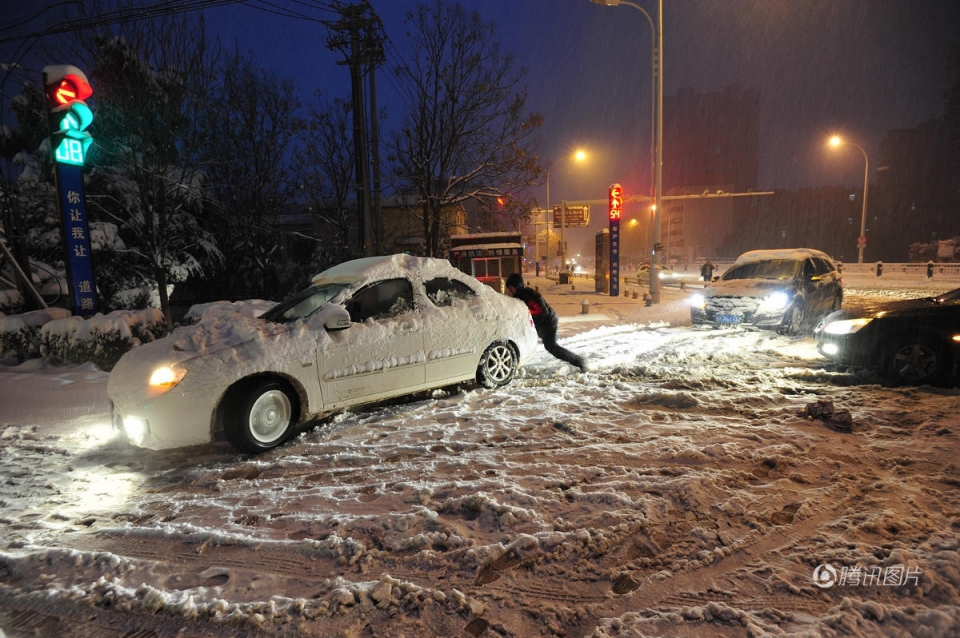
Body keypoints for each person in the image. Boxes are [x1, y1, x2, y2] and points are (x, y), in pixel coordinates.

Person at [505, 273, 587, 372]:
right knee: (548, 345)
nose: (510, 291)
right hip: (544, 323)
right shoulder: (520, 295)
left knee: (551, 347)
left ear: (516, 286)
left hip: (548, 322)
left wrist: (526, 313)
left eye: (511, 288)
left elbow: (541, 310)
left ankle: (579, 361)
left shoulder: (528, 295)